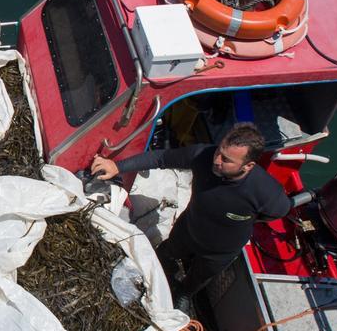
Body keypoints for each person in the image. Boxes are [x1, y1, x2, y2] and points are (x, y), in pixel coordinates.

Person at [90, 122, 290, 311]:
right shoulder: (203, 155)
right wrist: (118, 166)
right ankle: (163, 266)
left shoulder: (266, 191)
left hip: (220, 251)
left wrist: (241, 219)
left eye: (227, 160)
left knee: (198, 278)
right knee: (167, 252)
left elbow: (277, 212)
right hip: (188, 229)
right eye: (219, 151)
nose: (217, 160)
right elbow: (162, 158)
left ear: (248, 166)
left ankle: (184, 293)